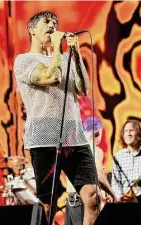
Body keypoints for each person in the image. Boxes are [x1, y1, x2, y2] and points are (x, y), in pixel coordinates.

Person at [14, 11, 100, 225]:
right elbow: (52, 77)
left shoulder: (63, 58)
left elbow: (83, 88)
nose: (53, 25)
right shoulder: (24, 61)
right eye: (47, 22)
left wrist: (75, 52)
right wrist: (59, 50)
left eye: (55, 22)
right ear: (32, 29)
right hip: (44, 137)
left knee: (92, 196)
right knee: (48, 204)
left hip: (75, 136)